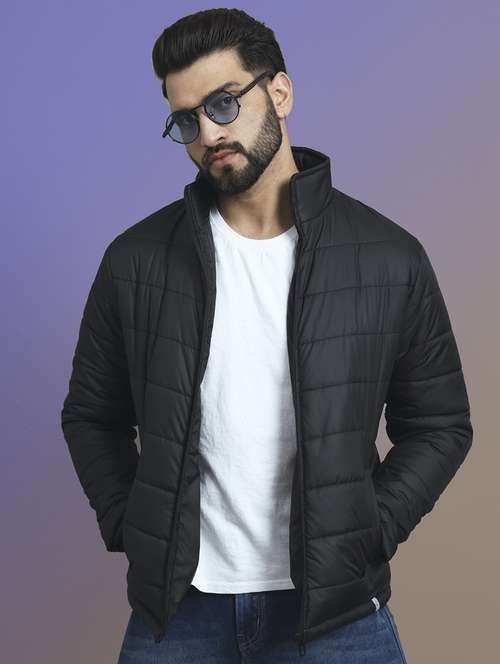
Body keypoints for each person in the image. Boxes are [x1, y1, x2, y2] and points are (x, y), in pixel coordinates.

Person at [61, 8, 473, 663]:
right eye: (186, 120)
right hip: (182, 609)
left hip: (336, 612)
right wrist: (131, 525)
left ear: (279, 92)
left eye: (224, 103)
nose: (208, 133)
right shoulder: (136, 261)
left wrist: (369, 532)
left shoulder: (388, 257)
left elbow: (441, 424)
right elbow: (91, 415)